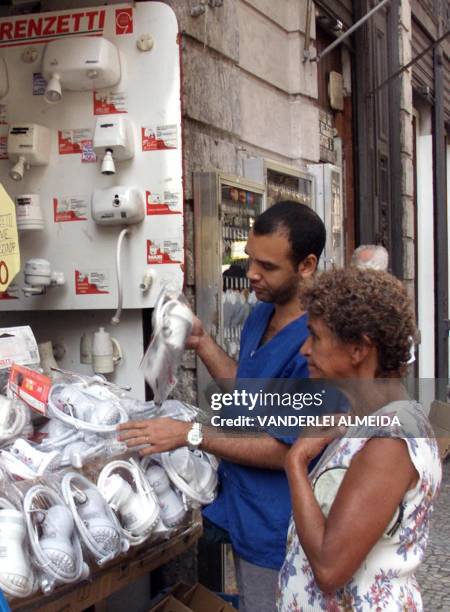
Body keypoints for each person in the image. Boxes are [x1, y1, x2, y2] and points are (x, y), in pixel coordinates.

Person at [118, 201, 326, 610]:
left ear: (306, 265)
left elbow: (285, 448)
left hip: (281, 525)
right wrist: (202, 342)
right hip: (243, 508)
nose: (251, 273)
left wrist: (190, 435)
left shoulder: (316, 345)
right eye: (250, 259)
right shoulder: (260, 315)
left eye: (267, 266)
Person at [277, 268, 441, 610]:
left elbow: (329, 567)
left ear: (358, 349)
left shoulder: (390, 440)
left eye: (316, 337)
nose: (305, 350)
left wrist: (294, 463)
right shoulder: (371, 421)